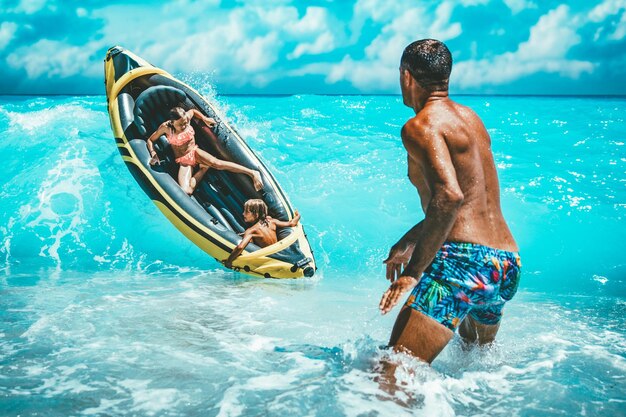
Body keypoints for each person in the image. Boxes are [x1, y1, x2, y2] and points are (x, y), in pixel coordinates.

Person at [378, 39, 522, 365]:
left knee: (392, 374)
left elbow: (449, 196)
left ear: (406, 76)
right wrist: (410, 240)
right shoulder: (471, 120)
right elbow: (468, 201)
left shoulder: (421, 125)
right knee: (473, 369)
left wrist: (413, 272)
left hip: (464, 263)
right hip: (504, 266)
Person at [147, 107, 264, 195]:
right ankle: (203, 168)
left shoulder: (186, 117)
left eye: (186, 122)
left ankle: (252, 172)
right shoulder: (166, 128)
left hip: (195, 152)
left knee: (217, 163)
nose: (185, 125)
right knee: (186, 191)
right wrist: (153, 154)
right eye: (181, 125)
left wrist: (204, 118)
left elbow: (192, 111)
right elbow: (150, 140)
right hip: (183, 160)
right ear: (172, 122)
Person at [223, 199, 301, 268]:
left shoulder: (251, 231)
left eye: (246, 211)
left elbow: (240, 247)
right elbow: (291, 224)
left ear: (255, 214)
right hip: (280, 253)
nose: (243, 214)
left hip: (269, 259)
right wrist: (298, 216)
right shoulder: (271, 221)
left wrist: (229, 261)